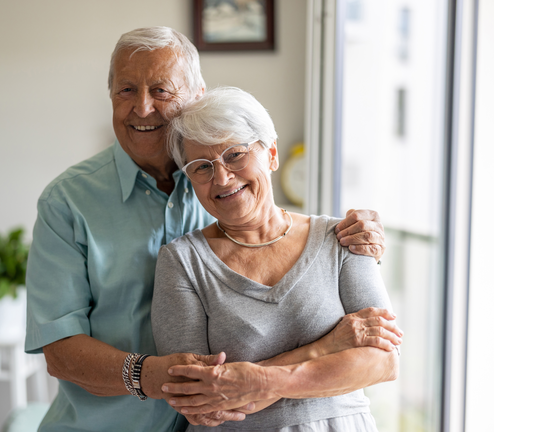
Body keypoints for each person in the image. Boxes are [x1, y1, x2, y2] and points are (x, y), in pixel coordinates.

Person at [24, 27, 399, 432]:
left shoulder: (233, 191)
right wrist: (325, 349)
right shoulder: (67, 202)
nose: (143, 108)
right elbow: (61, 352)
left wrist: (361, 247)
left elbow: (381, 354)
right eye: (126, 91)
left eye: (161, 90)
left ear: (196, 96)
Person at [151, 86, 399, 431]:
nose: (221, 177)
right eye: (201, 167)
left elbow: (384, 361)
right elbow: (201, 400)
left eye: (235, 155)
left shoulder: (342, 237)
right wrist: (329, 347)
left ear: (271, 154)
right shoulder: (182, 262)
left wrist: (264, 382)